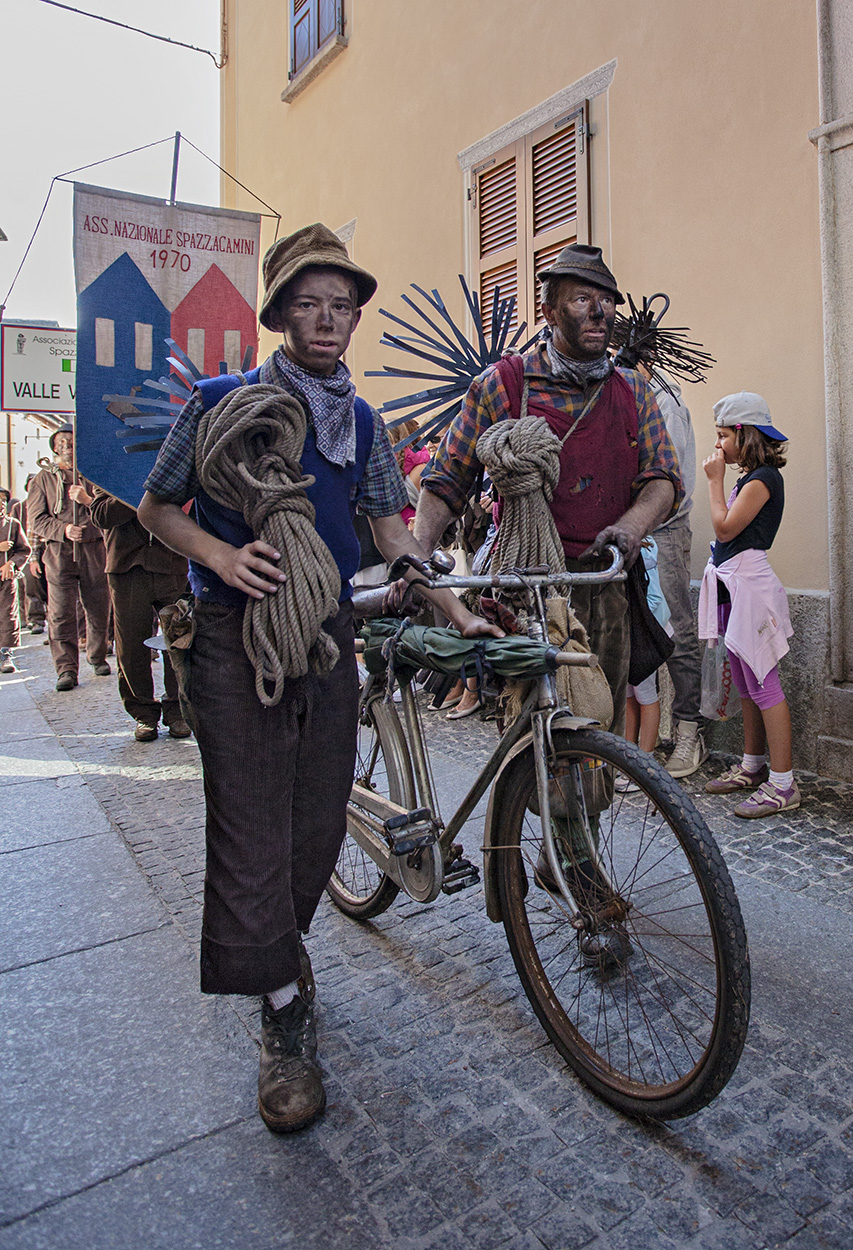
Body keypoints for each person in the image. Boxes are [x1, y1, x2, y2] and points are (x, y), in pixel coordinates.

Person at [138, 223, 498, 1135]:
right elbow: (155, 507)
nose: (327, 319)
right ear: (281, 314)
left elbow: (388, 529)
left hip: (327, 631)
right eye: (309, 303)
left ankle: (279, 950)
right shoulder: (222, 400)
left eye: (341, 305)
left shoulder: (364, 423)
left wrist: (452, 602)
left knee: (314, 814)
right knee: (253, 819)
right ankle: (285, 1013)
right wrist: (223, 556)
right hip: (230, 636)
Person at [415, 244, 683, 738]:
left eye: (607, 300)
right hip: (527, 592)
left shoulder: (633, 391)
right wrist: (414, 558)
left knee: (599, 740)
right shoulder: (504, 385)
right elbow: (446, 480)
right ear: (549, 311)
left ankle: (588, 815)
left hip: (606, 587)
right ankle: (522, 808)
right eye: (583, 299)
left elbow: (664, 478)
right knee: (536, 743)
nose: (600, 311)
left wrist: (631, 525)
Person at [699, 392, 796, 817]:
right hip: (734, 588)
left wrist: (714, 482)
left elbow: (724, 529)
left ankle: (783, 784)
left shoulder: (762, 480)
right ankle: (753, 766)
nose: (718, 445)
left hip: (751, 590)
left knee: (764, 685)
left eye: (723, 436)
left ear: (743, 433)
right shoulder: (753, 477)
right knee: (746, 682)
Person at [641, 364, 708, 778]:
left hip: (662, 532)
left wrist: (644, 522)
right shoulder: (627, 398)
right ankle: (641, 739)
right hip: (634, 532)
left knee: (677, 630)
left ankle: (689, 730)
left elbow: (675, 483)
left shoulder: (666, 402)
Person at [89, 488, 191, 742]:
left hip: (173, 563)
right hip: (127, 566)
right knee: (132, 646)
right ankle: (143, 713)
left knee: (178, 642)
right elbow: (100, 515)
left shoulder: (174, 467)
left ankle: (178, 711)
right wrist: (138, 491)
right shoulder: (113, 473)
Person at [27, 424, 111, 691]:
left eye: (72, 441)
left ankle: (97, 655)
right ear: (54, 447)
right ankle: (66, 669)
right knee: (61, 613)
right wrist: (62, 530)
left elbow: (112, 513)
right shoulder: (43, 479)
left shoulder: (94, 475)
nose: (67, 446)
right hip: (59, 553)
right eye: (62, 441)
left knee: (98, 606)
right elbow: (37, 520)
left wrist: (87, 500)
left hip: (94, 549)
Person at [623, 537, 671, 766]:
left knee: (645, 694)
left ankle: (645, 761)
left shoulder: (646, 541)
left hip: (645, 629)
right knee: (628, 694)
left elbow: (651, 593)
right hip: (627, 628)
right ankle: (628, 753)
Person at [10, 476, 47, 634]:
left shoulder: (46, 501)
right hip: (27, 550)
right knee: (31, 586)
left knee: (49, 588)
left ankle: (50, 623)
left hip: (45, 548)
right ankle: (36, 619)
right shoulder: (20, 507)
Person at [0, 487, 31, 673]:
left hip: (6, 578)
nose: (1, 503)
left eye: (3, 500)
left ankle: (6, 653)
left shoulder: (12, 525)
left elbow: (23, 550)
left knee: (7, 615)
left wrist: (11, 564)